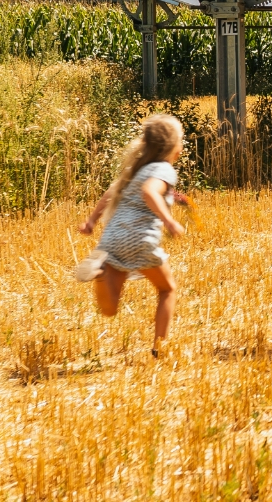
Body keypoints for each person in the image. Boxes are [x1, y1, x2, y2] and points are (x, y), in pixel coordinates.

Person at [74, 113, 188, 357]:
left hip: (112, 239)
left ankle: (101, 273)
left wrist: (92, 221)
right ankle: (160, 349)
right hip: (140, 238)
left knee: (109, 309)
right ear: (173, 147)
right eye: (182, 141)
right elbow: (149, 192)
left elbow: (110, 194)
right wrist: (169, 221)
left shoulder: (138, 170)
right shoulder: (165, 170)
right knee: (168, 289)